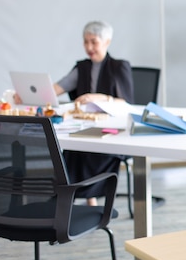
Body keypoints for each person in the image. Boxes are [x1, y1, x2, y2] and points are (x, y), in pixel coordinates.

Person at [57, 20, 134, 205]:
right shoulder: (82, 68)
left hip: (111, 132)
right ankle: (79, 199)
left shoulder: (119, 66)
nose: (89, 47)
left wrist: (101, 97)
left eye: (94, 41)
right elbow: (58, 88)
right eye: (85, 42)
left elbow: (127, 103)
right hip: (86, 128)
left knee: (92, 151)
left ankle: (93, 199)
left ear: (106, 42)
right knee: (72, 151)